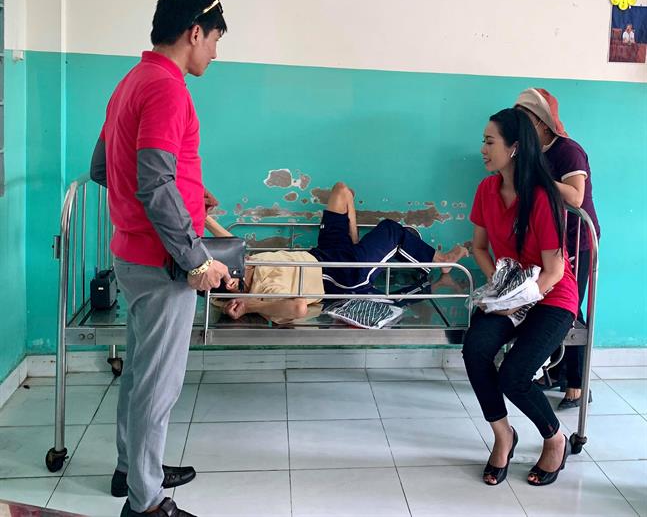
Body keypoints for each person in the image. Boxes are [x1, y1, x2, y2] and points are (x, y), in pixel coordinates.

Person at [90, 0, 236, 517]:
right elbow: (153, 180)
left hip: (133, 254)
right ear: (195, 33)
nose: (214, 53)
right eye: (214, 40)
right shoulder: (168, 89)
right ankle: (146, 503)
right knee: (159, 384)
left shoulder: (131, 82)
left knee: (139, 372)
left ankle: (132, 470)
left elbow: (105, 168)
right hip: (162, 262)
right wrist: (196, 258)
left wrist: (188, 193)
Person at [462, 108, 578, 487]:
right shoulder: (485, 190)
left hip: (552, 295)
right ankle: (503, 435)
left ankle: (555, 438)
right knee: (475, 348)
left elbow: (554, 270)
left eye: (489, 141)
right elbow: (480, 248)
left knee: (515, 376)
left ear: (514, 147)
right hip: (511, 291)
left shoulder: (542, 197)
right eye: (483, 141)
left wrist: (518, 301)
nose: (482, 149)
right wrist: (500, 286)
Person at [218, 182, 468, 323]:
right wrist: (249, 306)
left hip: (325, 253)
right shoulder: (264, 292)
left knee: (341, 191)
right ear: (232, 283)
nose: (242, 259)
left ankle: (359, 246)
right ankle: (441, 261)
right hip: (344, 274)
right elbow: (298, 308)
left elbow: (229, 242)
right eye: (234, 266)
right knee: (390, 229)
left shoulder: (248, 263)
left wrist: (204, 214)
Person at [516, 87, 601, 409]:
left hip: (577, 240)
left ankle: (577, 385)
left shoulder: (568, 151)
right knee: (544, 305)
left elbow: (576, 196)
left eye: (524, 119)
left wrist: (535, 177)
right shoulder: (532, 151)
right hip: (548, 241)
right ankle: (550, 372)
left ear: (540, 121)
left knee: (569, 312)